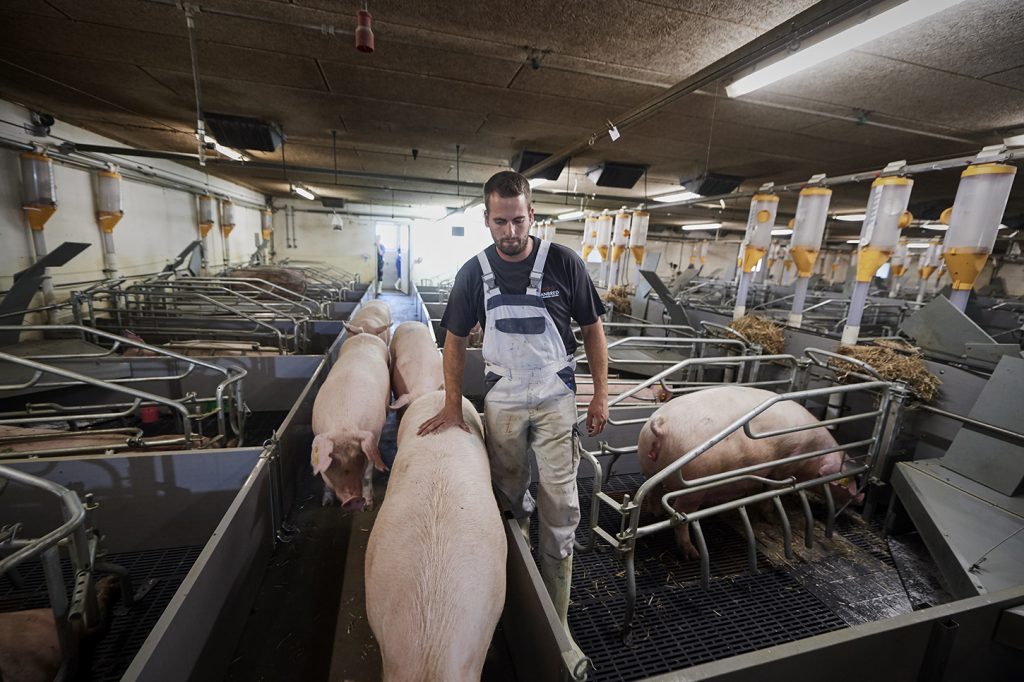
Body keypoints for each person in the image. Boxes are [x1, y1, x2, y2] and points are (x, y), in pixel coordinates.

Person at [419, 170, 608, 667]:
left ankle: (558, 622)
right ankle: (513, 594)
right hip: (502, 397)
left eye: (519, 220)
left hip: (555, 395)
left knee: (561, 503)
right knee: (507, 496)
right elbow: (453, 340)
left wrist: (600, 395)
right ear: (486, 219)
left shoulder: (564, 262)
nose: (511, 231)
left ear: (532, 215)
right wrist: (452, 403)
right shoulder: (473, 272)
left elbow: (593, 329)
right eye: (501, 222)